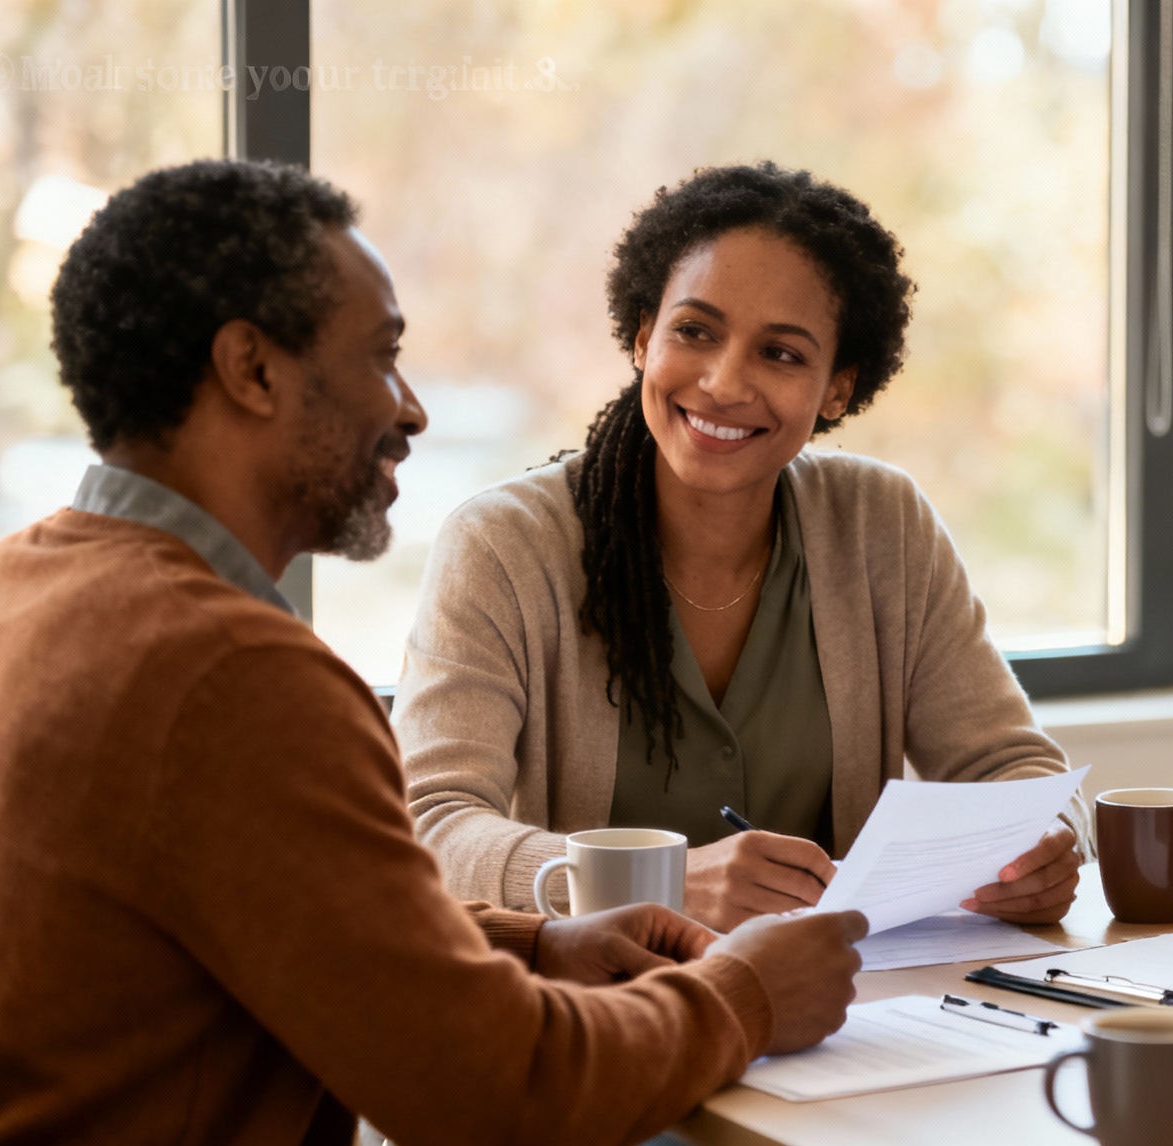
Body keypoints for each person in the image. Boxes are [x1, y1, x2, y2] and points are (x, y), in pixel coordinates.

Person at [0, 159, 867, 1146]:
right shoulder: (232, 678)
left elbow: (282, 928)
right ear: (252, 370)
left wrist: (533, 941)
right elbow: (502, 1098)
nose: (410, 407)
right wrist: (747, 994)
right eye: (381, 357)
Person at [394, 162, 1087, 932]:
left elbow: (1013, 771)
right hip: (601, 1011)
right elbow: (428, 826)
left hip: (849, 1012)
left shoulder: (882, 525)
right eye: (694, 332)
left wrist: (1047, 846)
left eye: (781, 353)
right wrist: (654, 884)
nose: (724, 383)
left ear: (837, 389)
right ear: (641, 338)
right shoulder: (501, 547)